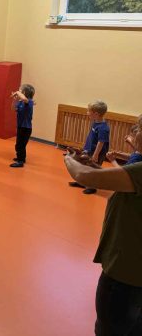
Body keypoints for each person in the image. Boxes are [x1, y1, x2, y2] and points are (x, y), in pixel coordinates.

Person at [63, 141, 142, 336]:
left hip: (126, 274)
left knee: (111, 327)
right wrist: (92, 164)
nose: (134, 135)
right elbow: (118, 186)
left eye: (138, 129)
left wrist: (70, 160)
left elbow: (83, 176)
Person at [69, 100, 110, 195]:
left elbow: (101, 142)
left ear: (96, 114)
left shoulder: (103, 128)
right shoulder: (95, 122)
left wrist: (95, 155)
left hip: (97, 152)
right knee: (84, 166)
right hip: (89, 150)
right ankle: (82, 182)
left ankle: (92, 187)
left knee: (92, 169)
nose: (87, 113)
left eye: (89, 111)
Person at [10, 84, 35, 168]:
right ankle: (21, 158)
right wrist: (15, 100)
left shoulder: (29, 102)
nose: (18, 91)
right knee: (18, 144)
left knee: (21, 145)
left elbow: (24, 99)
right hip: (20, 126)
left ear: (24, 92)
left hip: (26, 128)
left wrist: (17, 92)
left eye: (20, 90)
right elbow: (13, 109)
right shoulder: (20, 102)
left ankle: (20, 161)